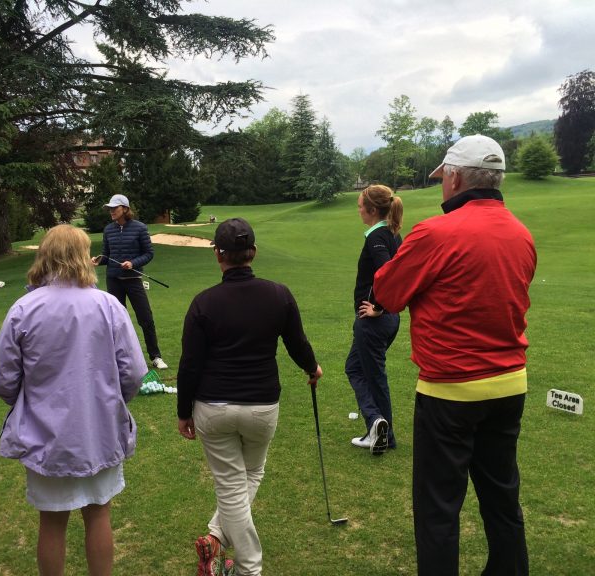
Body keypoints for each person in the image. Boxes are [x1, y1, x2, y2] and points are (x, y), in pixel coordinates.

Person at [373, 135, 536, 576]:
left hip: (449, 392)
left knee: (438, 509)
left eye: (444, 177)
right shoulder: (521, 233)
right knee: (502, 497)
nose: (442, 185)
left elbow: (386, 293)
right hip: (509, 386)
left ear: (458, 178)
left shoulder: (434, 232)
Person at [0, 224, 147, 576]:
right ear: (83, 256)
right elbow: (134, 372)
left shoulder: (24, 308)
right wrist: (111, 402)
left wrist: (30, 404)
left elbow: (2, 378)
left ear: (45, 256)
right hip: (97, 431)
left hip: (47, 434)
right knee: (98, 512)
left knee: (53, 519)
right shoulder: (107, 306)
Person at [177, 218, 322, 576]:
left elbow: (190, 365)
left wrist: (184, 412)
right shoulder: (279, 294)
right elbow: (297, 344)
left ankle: (226, 547)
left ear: (218, 256)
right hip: (261, 407)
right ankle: (241, 561)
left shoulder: (203, 303)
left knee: (234, 482)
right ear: (252, 253)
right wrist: (312, 368)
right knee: (250, 473)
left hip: (213, 408)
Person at [345, 185, 403, 455]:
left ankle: (380, 428)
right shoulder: (392, 233)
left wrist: (378, 306)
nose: (358, 210)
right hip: (387, 320)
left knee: (372, 375)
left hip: (374, 322)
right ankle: (379, 427)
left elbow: (388, 271)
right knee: (357, 368)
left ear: (371, 210)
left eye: (360, 206)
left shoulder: (377, 236)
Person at [93, 194, 168, 369]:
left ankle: (155, 356)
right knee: (116, 321)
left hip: (133, 279)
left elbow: (149, 253)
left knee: (145, 318)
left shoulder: (140, 228)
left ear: (125, 209)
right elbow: (107, 255)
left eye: (115, 208)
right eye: (110, 209)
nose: (111, 211)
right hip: (114, 280)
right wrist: (98, 260)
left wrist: (133, 263)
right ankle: (118, 359)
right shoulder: (108, 230)